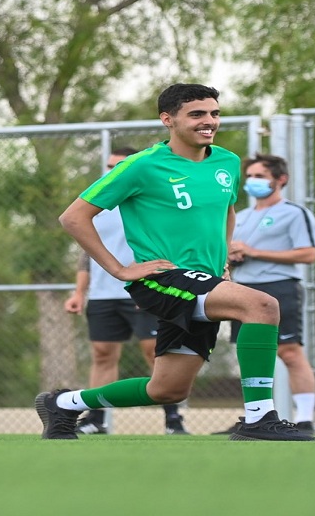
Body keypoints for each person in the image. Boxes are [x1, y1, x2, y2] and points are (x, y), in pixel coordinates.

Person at [39, 83, 314, 441]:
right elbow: (73, 217)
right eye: (197, 114)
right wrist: (119, 269)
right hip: (164, 278)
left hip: (207, 280)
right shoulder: (141, 166)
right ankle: (259, 418)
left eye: (214, 113)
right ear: (167, 119)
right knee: (262, 305)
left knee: (167, 389)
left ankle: (64, 404)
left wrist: (223, 259)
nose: (209, 121)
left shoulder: (228, 162)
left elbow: (227, 210)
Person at [63, 147, 188, 436]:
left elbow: (170, 245)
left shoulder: (152, 201)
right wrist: (79, 293)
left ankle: (173, 420)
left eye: (119, 166)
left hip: (144, 291)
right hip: (103, 295)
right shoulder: (95, 208)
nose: (112, 171)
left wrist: (155, 284)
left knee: (155, 352)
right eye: (109, 166)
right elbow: (87, 255)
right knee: (102, 354)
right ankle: (97, 418)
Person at [209, 153, 315, 434]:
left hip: (279, 286)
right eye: (249, 176)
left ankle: (305, 420)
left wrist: (254, 252)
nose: (252, 181)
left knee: (290, 352)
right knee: (251, 355)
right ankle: (256, 416)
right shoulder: (241, 216)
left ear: (280, 179)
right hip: (243, 291)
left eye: (259, 176)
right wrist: (232, 256)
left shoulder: (295, 213)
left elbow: (308, 254)